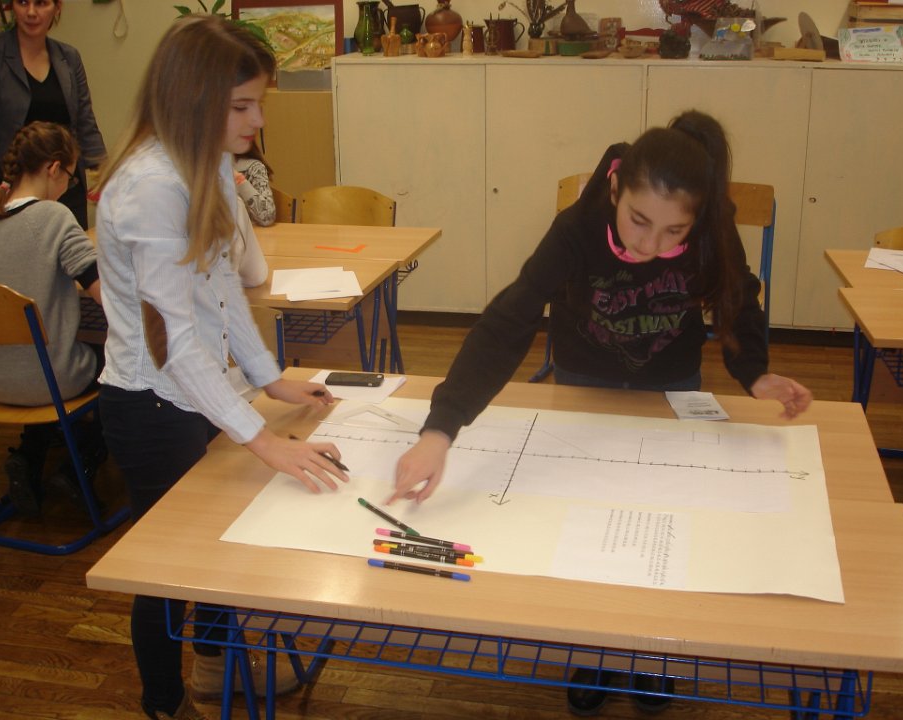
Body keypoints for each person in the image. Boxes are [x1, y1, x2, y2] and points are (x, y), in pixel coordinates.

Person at [389, 110, 813, 714]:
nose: (651, 245)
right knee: (586, 524)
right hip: (585, 377)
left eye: (674, 232)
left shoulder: (713, 225)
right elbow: (509, 320)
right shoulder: (576, 228)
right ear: (615, 189)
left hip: (670, 384)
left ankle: (655, 652)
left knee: (663, 523)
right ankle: (594, 646)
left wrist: (755, 372)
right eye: (639, 221)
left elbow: (736, 295)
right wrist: (441, 428)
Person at [94, 16, 348, 720]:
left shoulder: (205, 163)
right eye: (243, 105)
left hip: (198, 393)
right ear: (194, 99)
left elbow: (225, 286)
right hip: (150, 404)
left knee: (214, 550)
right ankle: (163, 701)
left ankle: (211, 668)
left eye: (258, 102)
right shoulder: (151, 187)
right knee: (165, 570)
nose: (258, 121)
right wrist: (262, 439)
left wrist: (268, 378)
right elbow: (174, 345)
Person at [0, 120, 105, 515]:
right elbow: (107, 298)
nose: (68, 188)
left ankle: (28, 458)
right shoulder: (54, 217)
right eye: (70, 178)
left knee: (40, 355)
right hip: (50, 379)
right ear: (53, 168)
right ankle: (80, 465)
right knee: (122, 363)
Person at [0, 0, 106, 228]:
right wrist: (2, 191)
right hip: (11, 192)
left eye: (41, 3)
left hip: (66, 190)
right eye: (23, 2)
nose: (31, 12)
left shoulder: (69, 57)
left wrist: (106, 179)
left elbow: (85, 125)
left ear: (57, 7)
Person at [234, 141, 276, 226]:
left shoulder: (253, 168)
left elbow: (267, 216)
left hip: (249, 231)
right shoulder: (207, 168)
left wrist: (238, 178)